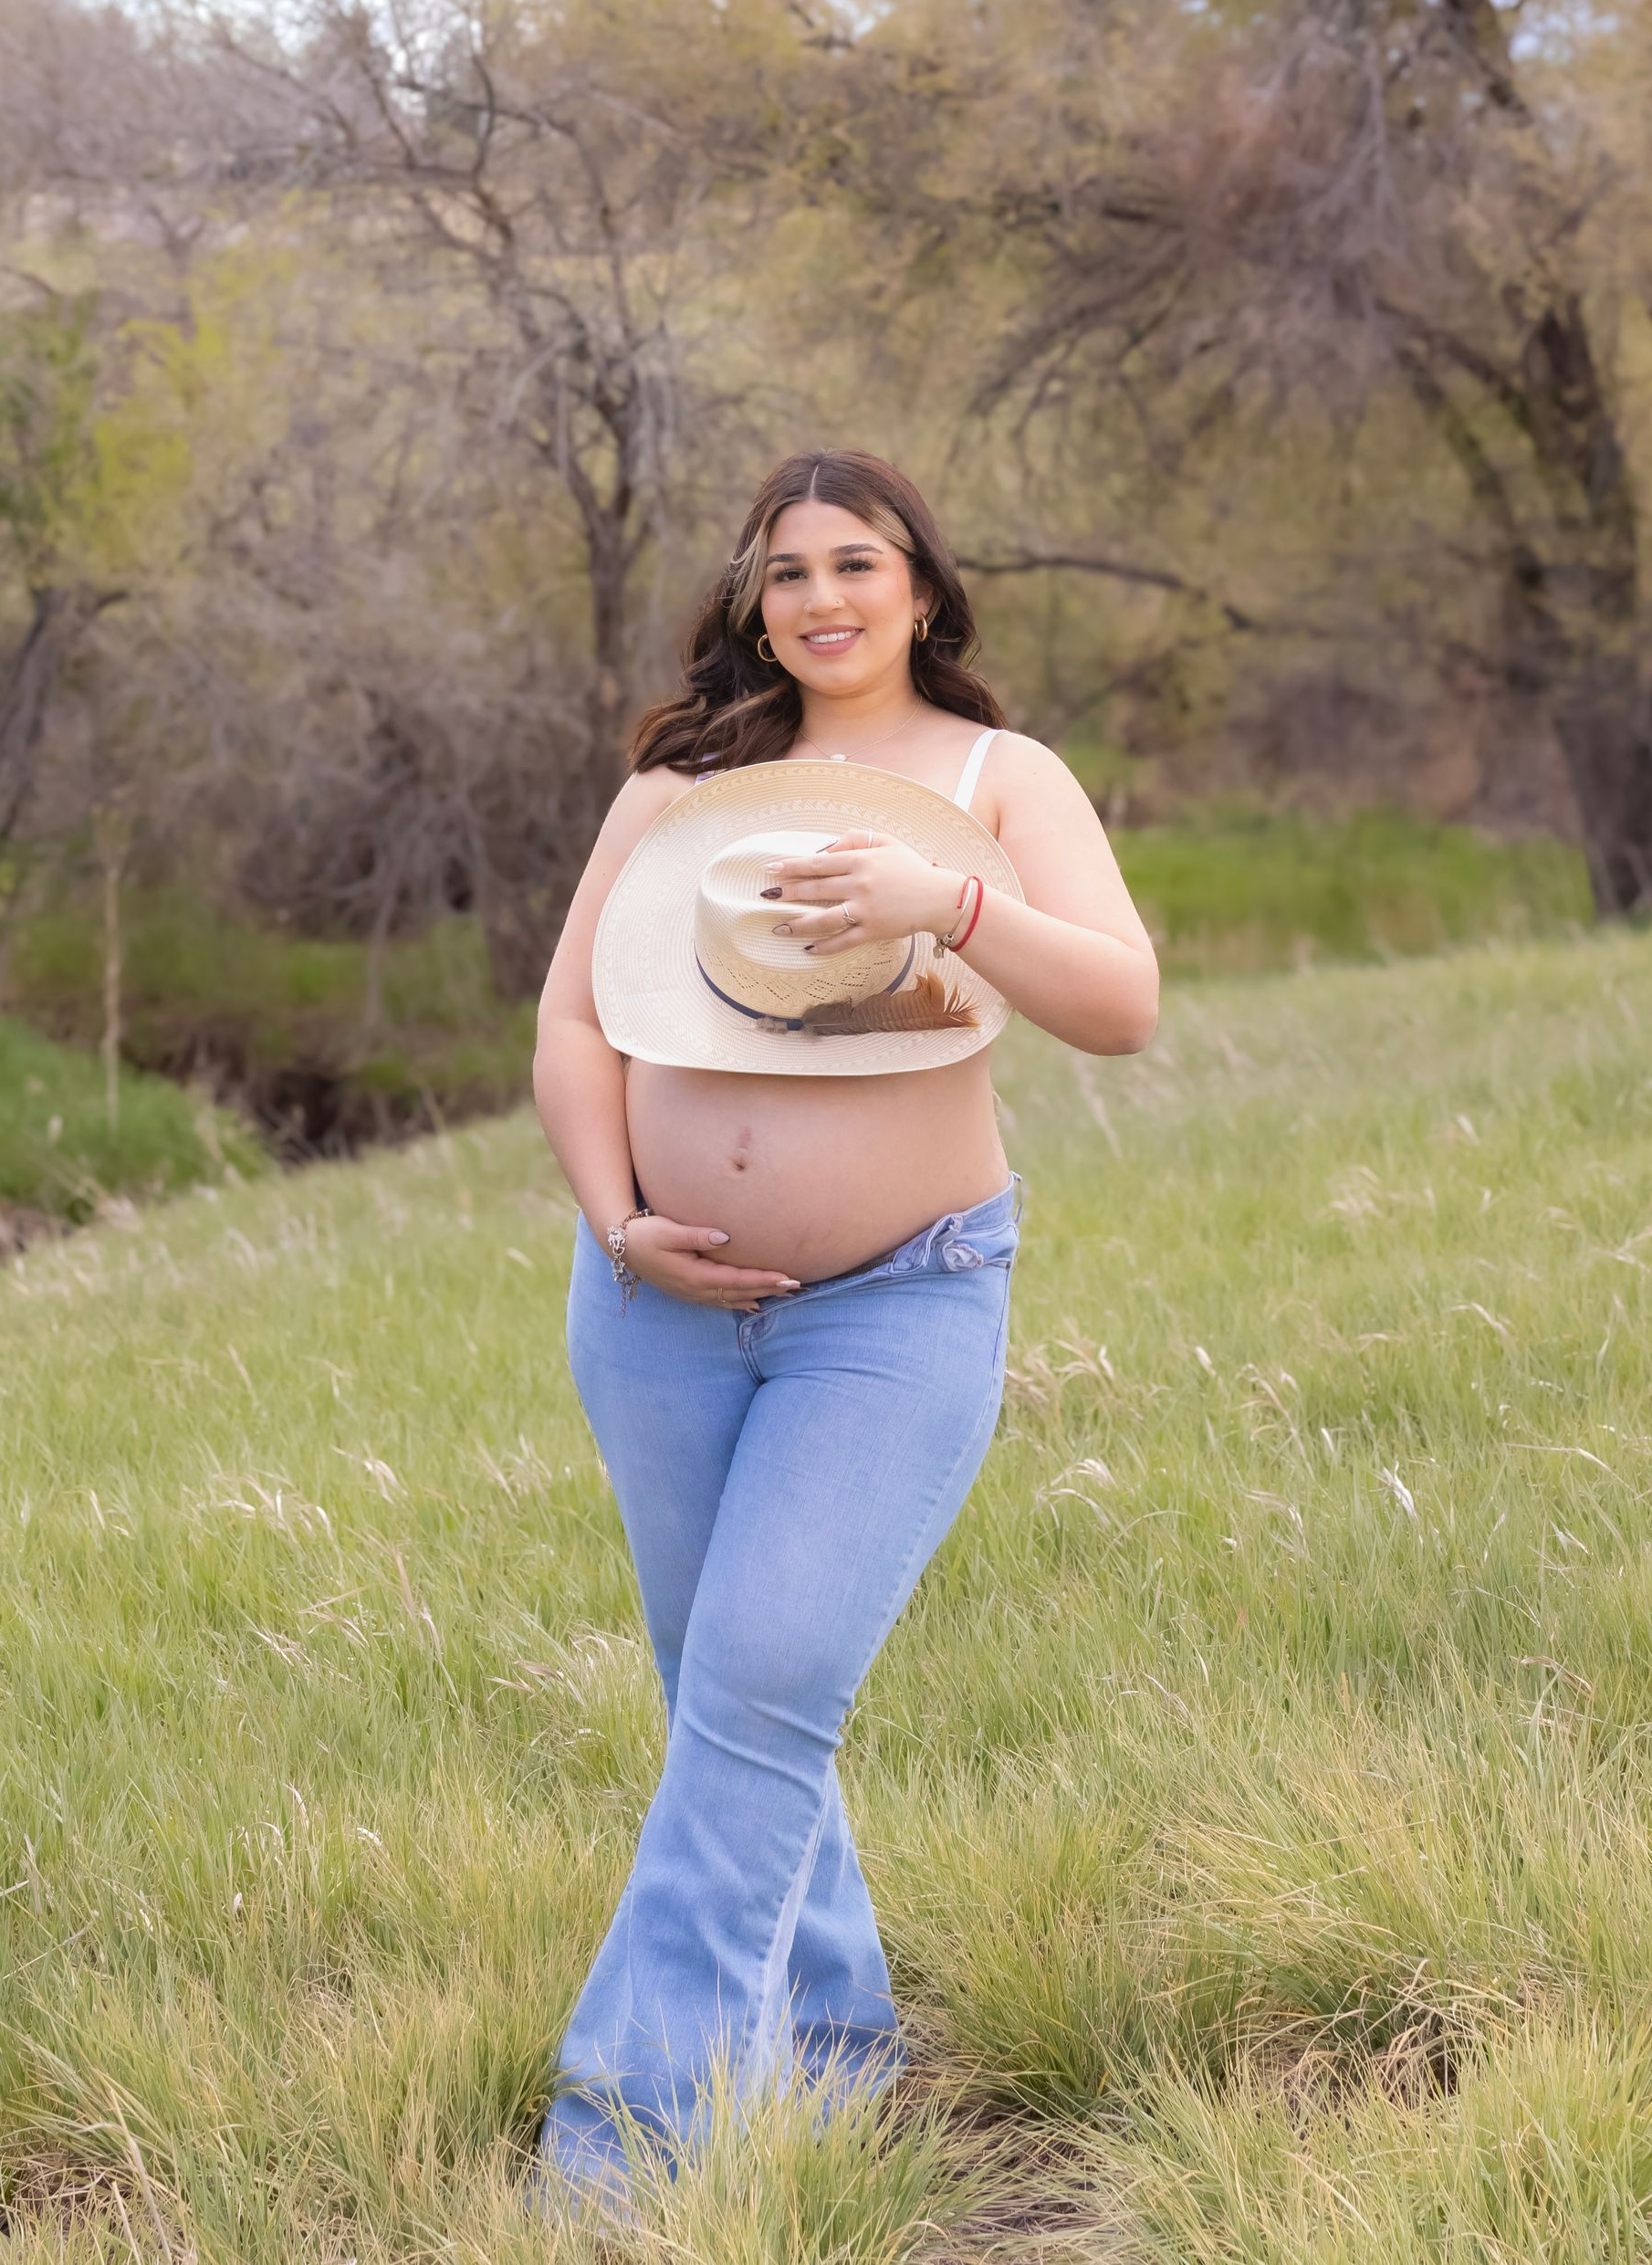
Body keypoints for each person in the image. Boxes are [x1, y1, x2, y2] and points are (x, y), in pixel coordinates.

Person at [529, 446, 1158, 2211]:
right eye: (787, 571)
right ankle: (837, 2050)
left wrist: (947, 905)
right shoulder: (680, 778)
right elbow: (575, 1025)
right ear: (755, 599)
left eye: (856, 564)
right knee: (725, 1698)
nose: (821, 598)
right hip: (654, 1310)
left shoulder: (996, 776)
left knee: (758, 1695)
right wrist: (615, 1217)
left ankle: (626, 2155)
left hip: (896, 1304)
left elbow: (1123, 1003)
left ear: (923, 589)